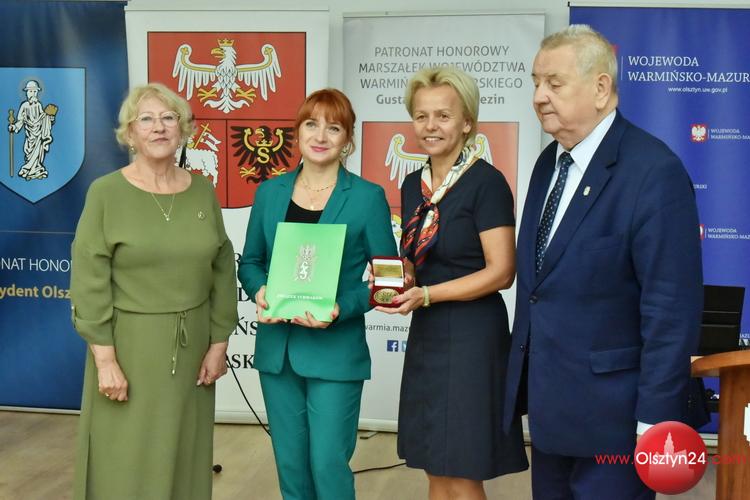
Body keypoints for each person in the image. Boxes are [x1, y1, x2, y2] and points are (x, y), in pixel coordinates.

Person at [504, 25, 703, 499]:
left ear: (600, 88)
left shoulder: (654, 172)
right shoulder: (548, 164)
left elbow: (670, 310)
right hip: (551, 415)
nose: (539, 96)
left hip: (619, 422)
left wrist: (654, 421)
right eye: (536, 82)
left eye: (554, 83)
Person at [69, 83, 238, 500]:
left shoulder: (202, 190)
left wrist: (219, 343)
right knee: (124, 458)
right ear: (130, 133)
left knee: (184, 454)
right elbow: (89, 278)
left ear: (183, 129)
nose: (158, 127)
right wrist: (105, 360)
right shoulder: (106, 193)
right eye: (146, 119)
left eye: (168, 118)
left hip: (194, 348)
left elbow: (221, 266)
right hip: (129, 348)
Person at [238, 88, 397, 500]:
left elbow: (388, 280)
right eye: (311, 124)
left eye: (334, 127)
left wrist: (342, 306)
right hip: (279, 352)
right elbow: (250, 262)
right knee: (291, 468)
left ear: (348, 139)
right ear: (297, 131)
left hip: (335, 353)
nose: (320, 136)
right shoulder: (270, 193)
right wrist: (260, 291)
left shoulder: (367, 197)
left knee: (327, 464)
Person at [377, 66, 528, 500]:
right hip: (428, 334)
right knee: (435, 465)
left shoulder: (487, 183)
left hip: (472, 337)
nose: (431, 126)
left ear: (466, 123)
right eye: (421, 116)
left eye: (443, 116)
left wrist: (427, 294)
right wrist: (403, 277)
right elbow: (417, 257)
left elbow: (502, 272)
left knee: (462, 469)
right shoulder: (413, 184)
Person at [9, 79, 56, 180]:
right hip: (30, 135)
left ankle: (34, 170)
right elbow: (20, 120)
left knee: (38, 154)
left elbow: (42, 118)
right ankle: (28, 170)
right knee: (29, 152)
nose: (33, 93)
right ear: (27, 92)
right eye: (30, 91)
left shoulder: (38, 105)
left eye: (35, 91)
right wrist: (14, 127)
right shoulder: (24, 106)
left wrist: (49, 118)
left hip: (38, 135)